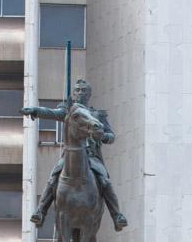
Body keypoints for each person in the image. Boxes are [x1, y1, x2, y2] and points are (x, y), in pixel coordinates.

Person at [21, 79, 128, 232]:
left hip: (91, 157)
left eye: (84, 91)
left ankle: (117, 215)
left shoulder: (97, 115)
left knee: (104, 181)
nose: (80, 93)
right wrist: (35, 111)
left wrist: (104, 136)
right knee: (54, 177)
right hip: (71, 156)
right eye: (77, 90)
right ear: (73, 93)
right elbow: (52, 113)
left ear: (89, 94)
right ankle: (40, 211)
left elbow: (111, 135)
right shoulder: (70, 111)